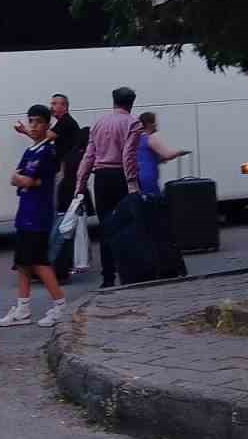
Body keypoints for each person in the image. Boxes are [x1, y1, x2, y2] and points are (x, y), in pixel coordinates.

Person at [0, 105, 68, 329]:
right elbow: (15, 178)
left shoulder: (48, 152)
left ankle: (60, 305)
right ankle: (23, 307)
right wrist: (25, 180)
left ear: (48, 124)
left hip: (38, 214)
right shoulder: (30, 151)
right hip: (25, 212)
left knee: (39, 262)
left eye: (38, 122)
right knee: (22, 263)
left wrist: (27, 180)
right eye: (31, 121)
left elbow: (27, 180)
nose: (33, 126)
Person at [75, 86, 142, 288]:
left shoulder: (98, 123)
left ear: (113, 101)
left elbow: (89, 155)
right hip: (120, 177)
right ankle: (127, 273)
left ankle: (108, 278)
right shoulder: (133, 123)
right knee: (126, 226)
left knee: (106, 227)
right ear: (131, 103)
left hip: (101, 179)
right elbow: (128, 155)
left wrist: (80, 183)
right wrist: (132, 183)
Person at [44, 93, 86, 272]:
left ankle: (62, 259)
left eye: (55, 104)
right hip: (67, 173)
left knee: (64, 215)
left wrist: (25, 130)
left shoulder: (65, 122)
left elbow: (45, 137)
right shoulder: (64, 123)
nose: (52, 107)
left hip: (66, 174)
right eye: (51, 103)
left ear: (64, 106)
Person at [136, 111, 189, 197]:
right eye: (154, 122)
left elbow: (146, 157)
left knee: (142, 203)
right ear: (149, 124)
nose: (156, 125)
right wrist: (179, 152)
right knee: (154, 202)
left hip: (137, 176)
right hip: (149, 176)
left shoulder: (137, 139)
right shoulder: (151, 138)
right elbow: (167, 154)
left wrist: (160, 159)